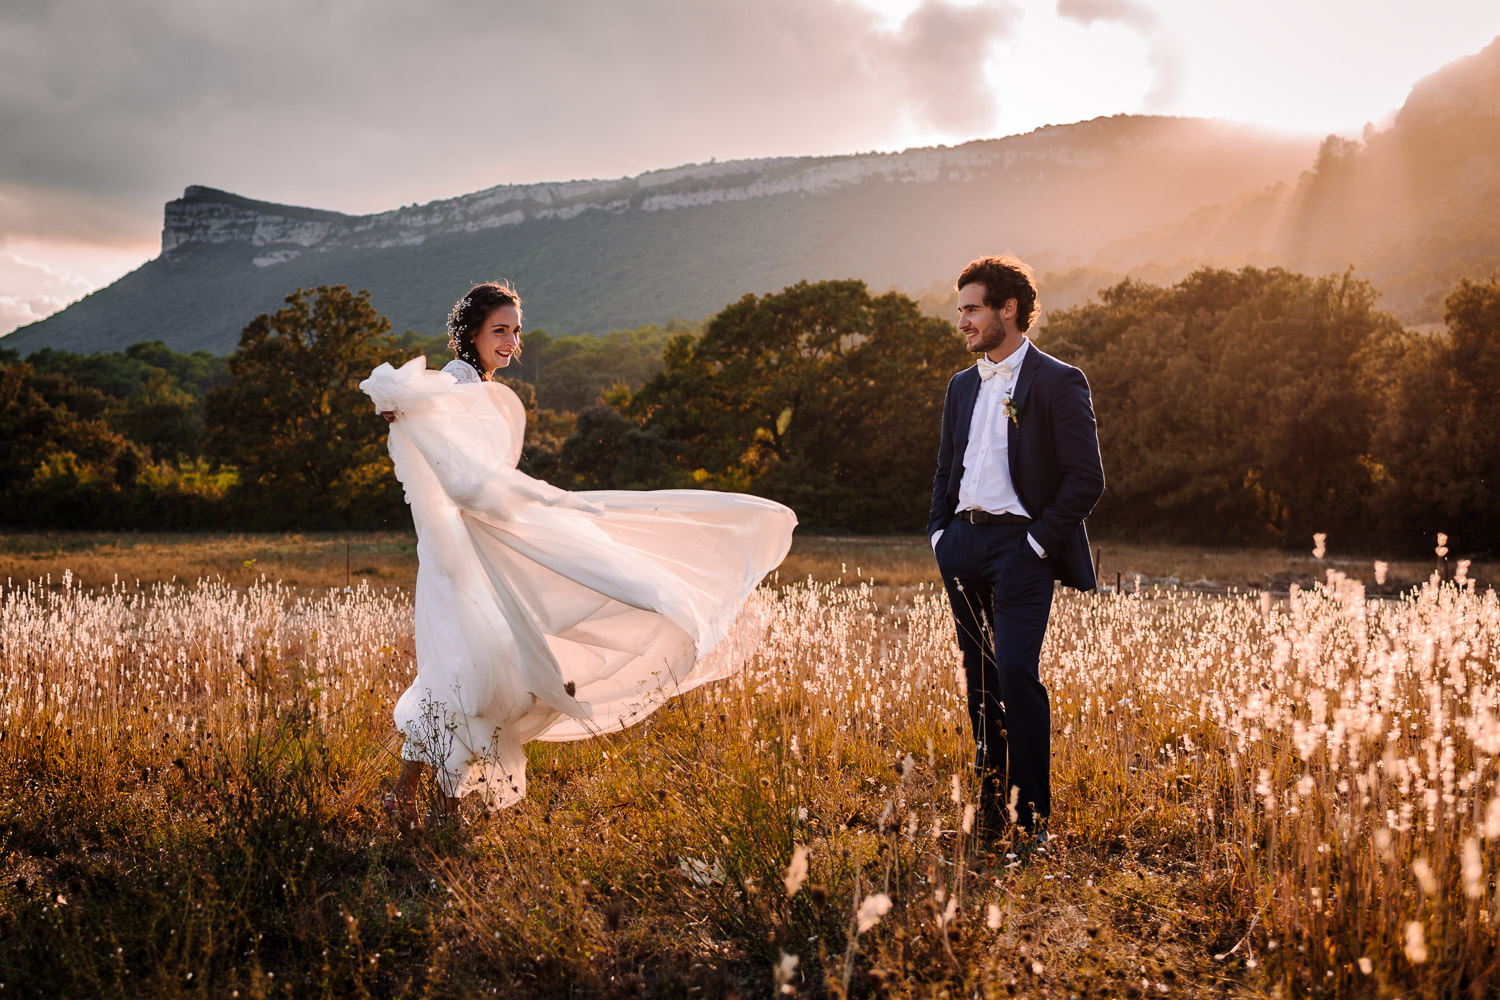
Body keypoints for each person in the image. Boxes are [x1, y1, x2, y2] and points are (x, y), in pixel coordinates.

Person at [363, 280, 796, 821]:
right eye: (500, 330)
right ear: (471, 332)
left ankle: (406, 798)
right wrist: (402, 413)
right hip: (466, 554)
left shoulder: (479, 382)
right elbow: (442, 450)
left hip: (475, 546)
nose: (510, 341)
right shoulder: (457, 380)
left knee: (465, 671)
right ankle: (435, 807)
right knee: (468, 674)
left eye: (516, 332)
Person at [928, 255, 1104, 848]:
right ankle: (989, 810)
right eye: (961, 311)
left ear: (1009, 309)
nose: (963, 323)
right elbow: (946, 468)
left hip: (1020, 550)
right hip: (963, 545)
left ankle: (1032, 819)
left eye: (972, 309)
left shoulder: (1059, 381)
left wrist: (1035, 542)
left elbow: (1087, 478)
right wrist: (939, 533)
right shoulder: (960, 386)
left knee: (1018, 674)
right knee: (979, 679)